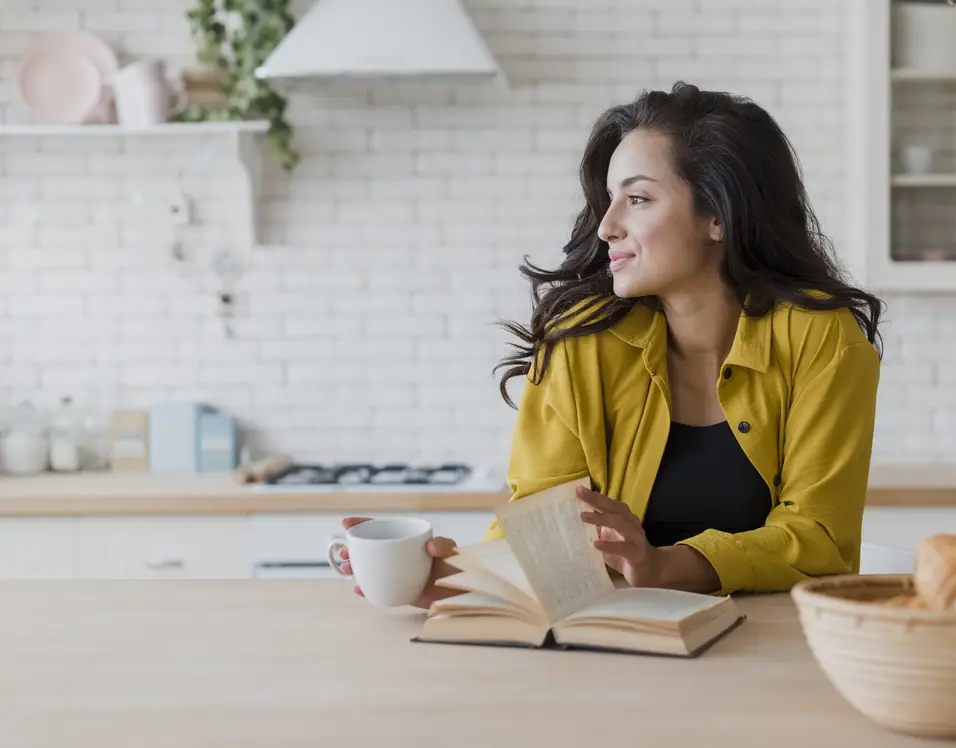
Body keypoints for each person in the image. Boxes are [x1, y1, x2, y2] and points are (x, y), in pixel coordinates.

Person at [338, 81, 883, 608]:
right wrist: (455, 577)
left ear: (718, 215)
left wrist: (667, 565)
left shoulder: (820, 338)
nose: (606, 227)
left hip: (780, 652)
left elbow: (820, 537)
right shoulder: (579, 341)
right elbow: (548, 527)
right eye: (608, 199)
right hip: (617, 646)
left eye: (638, 198)